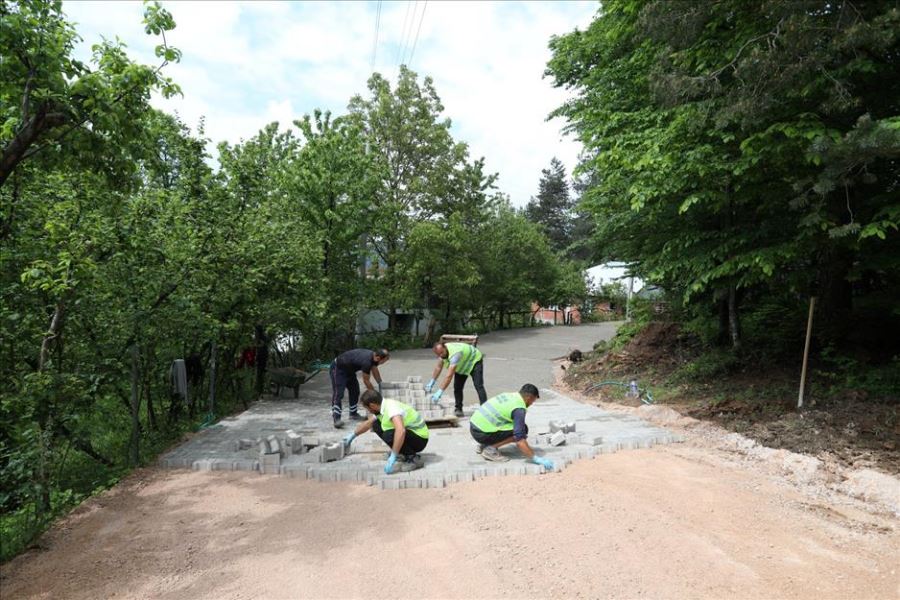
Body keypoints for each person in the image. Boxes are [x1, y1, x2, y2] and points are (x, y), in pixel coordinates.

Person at [468, 383, 554, 470]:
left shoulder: (510, 395)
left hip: (474, 427)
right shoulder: (519, 409)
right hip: (482, 433)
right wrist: (535, 458)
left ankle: (484, 445)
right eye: (533, 401)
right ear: (529, 397)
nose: (531, 404)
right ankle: (490, 449)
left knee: (518, 426)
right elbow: (519, 440)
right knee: (522, 430)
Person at [342, 390, 429, 474]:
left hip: (420, 439)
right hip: (411, 434)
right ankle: (403, 452)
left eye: (367, 408)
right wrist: (352, 436)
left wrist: (393, 455)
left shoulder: (391, 409)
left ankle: (413, 458)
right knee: (376, 424)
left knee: (389, 435)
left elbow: (401, 431)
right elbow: (368, 424)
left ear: (372, 405)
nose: (368, 411)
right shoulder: (381, 407)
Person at [329, 348, 389, 429]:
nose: (383, 363)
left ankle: (353, 414)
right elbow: (366, 381)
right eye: (384, 361)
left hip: (349, 371)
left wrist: (381, 384)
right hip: (338, 369)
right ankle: (336, 419)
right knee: (338, 393)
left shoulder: (374, 357)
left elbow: (374, 369)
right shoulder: (367, 362)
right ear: (378, 358)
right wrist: (375, 396)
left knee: (355, 391)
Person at [425, 341, 486, 417]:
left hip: (474, 361)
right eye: (438, 354)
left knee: (478, 385)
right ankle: (459, 409)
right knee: (457, 387)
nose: (441, 355)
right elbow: (438, 367)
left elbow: (449, 376)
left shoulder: (455, 354)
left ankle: (485, 409)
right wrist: (432, 382)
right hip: (462, 365)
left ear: (445, 347)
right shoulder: (442, 354)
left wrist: (440, 391)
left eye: (441, 353)